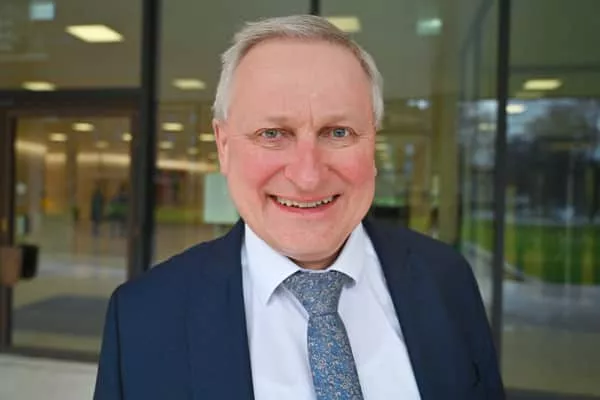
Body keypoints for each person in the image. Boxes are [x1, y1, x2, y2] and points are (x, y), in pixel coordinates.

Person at [94, 15, 504, 400]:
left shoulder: (445, 278)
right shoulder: (142, 318)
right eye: (273, 134)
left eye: (338, 132)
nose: (308, 176)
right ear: (224, 146)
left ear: (373, 143)